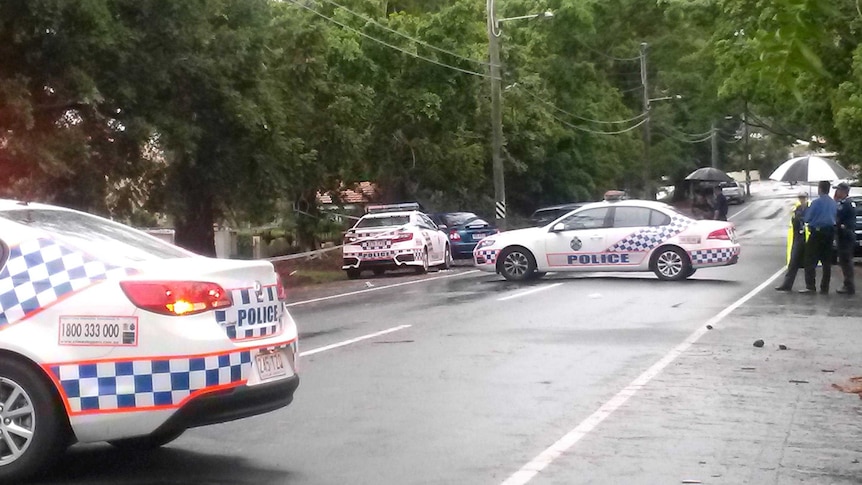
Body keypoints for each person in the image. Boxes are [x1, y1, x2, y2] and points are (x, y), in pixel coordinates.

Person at [800, 180, 838, 294]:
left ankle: (810, 286)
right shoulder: (833, 203)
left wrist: (805, 209)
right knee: (826, 261)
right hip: (830, 232)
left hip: (817, 232)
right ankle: (824, 287)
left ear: (820, 189)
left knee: (810, 259)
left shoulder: (816, 203)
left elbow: (808, 219)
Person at [775, 191, 809, 291]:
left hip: (807, 239)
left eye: (803, 198)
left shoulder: (810, 208)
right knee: (793, 262)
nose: (801, 199)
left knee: (808, 263)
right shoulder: (797, 209)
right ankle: (787, 284)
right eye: (800, 198)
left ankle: (810, 286)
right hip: (798, 237)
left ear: (806, 198)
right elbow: (795, 223)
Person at [834, 182, 856, 295]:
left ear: (843, 191)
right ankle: (848, 284)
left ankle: (849, 286)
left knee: (845, 261)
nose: (837, 192)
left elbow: (837, 217)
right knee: (846, 261)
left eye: (838, 190)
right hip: (846, 235)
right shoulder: (848, 203)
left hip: (845, 236)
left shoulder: (845, 204)